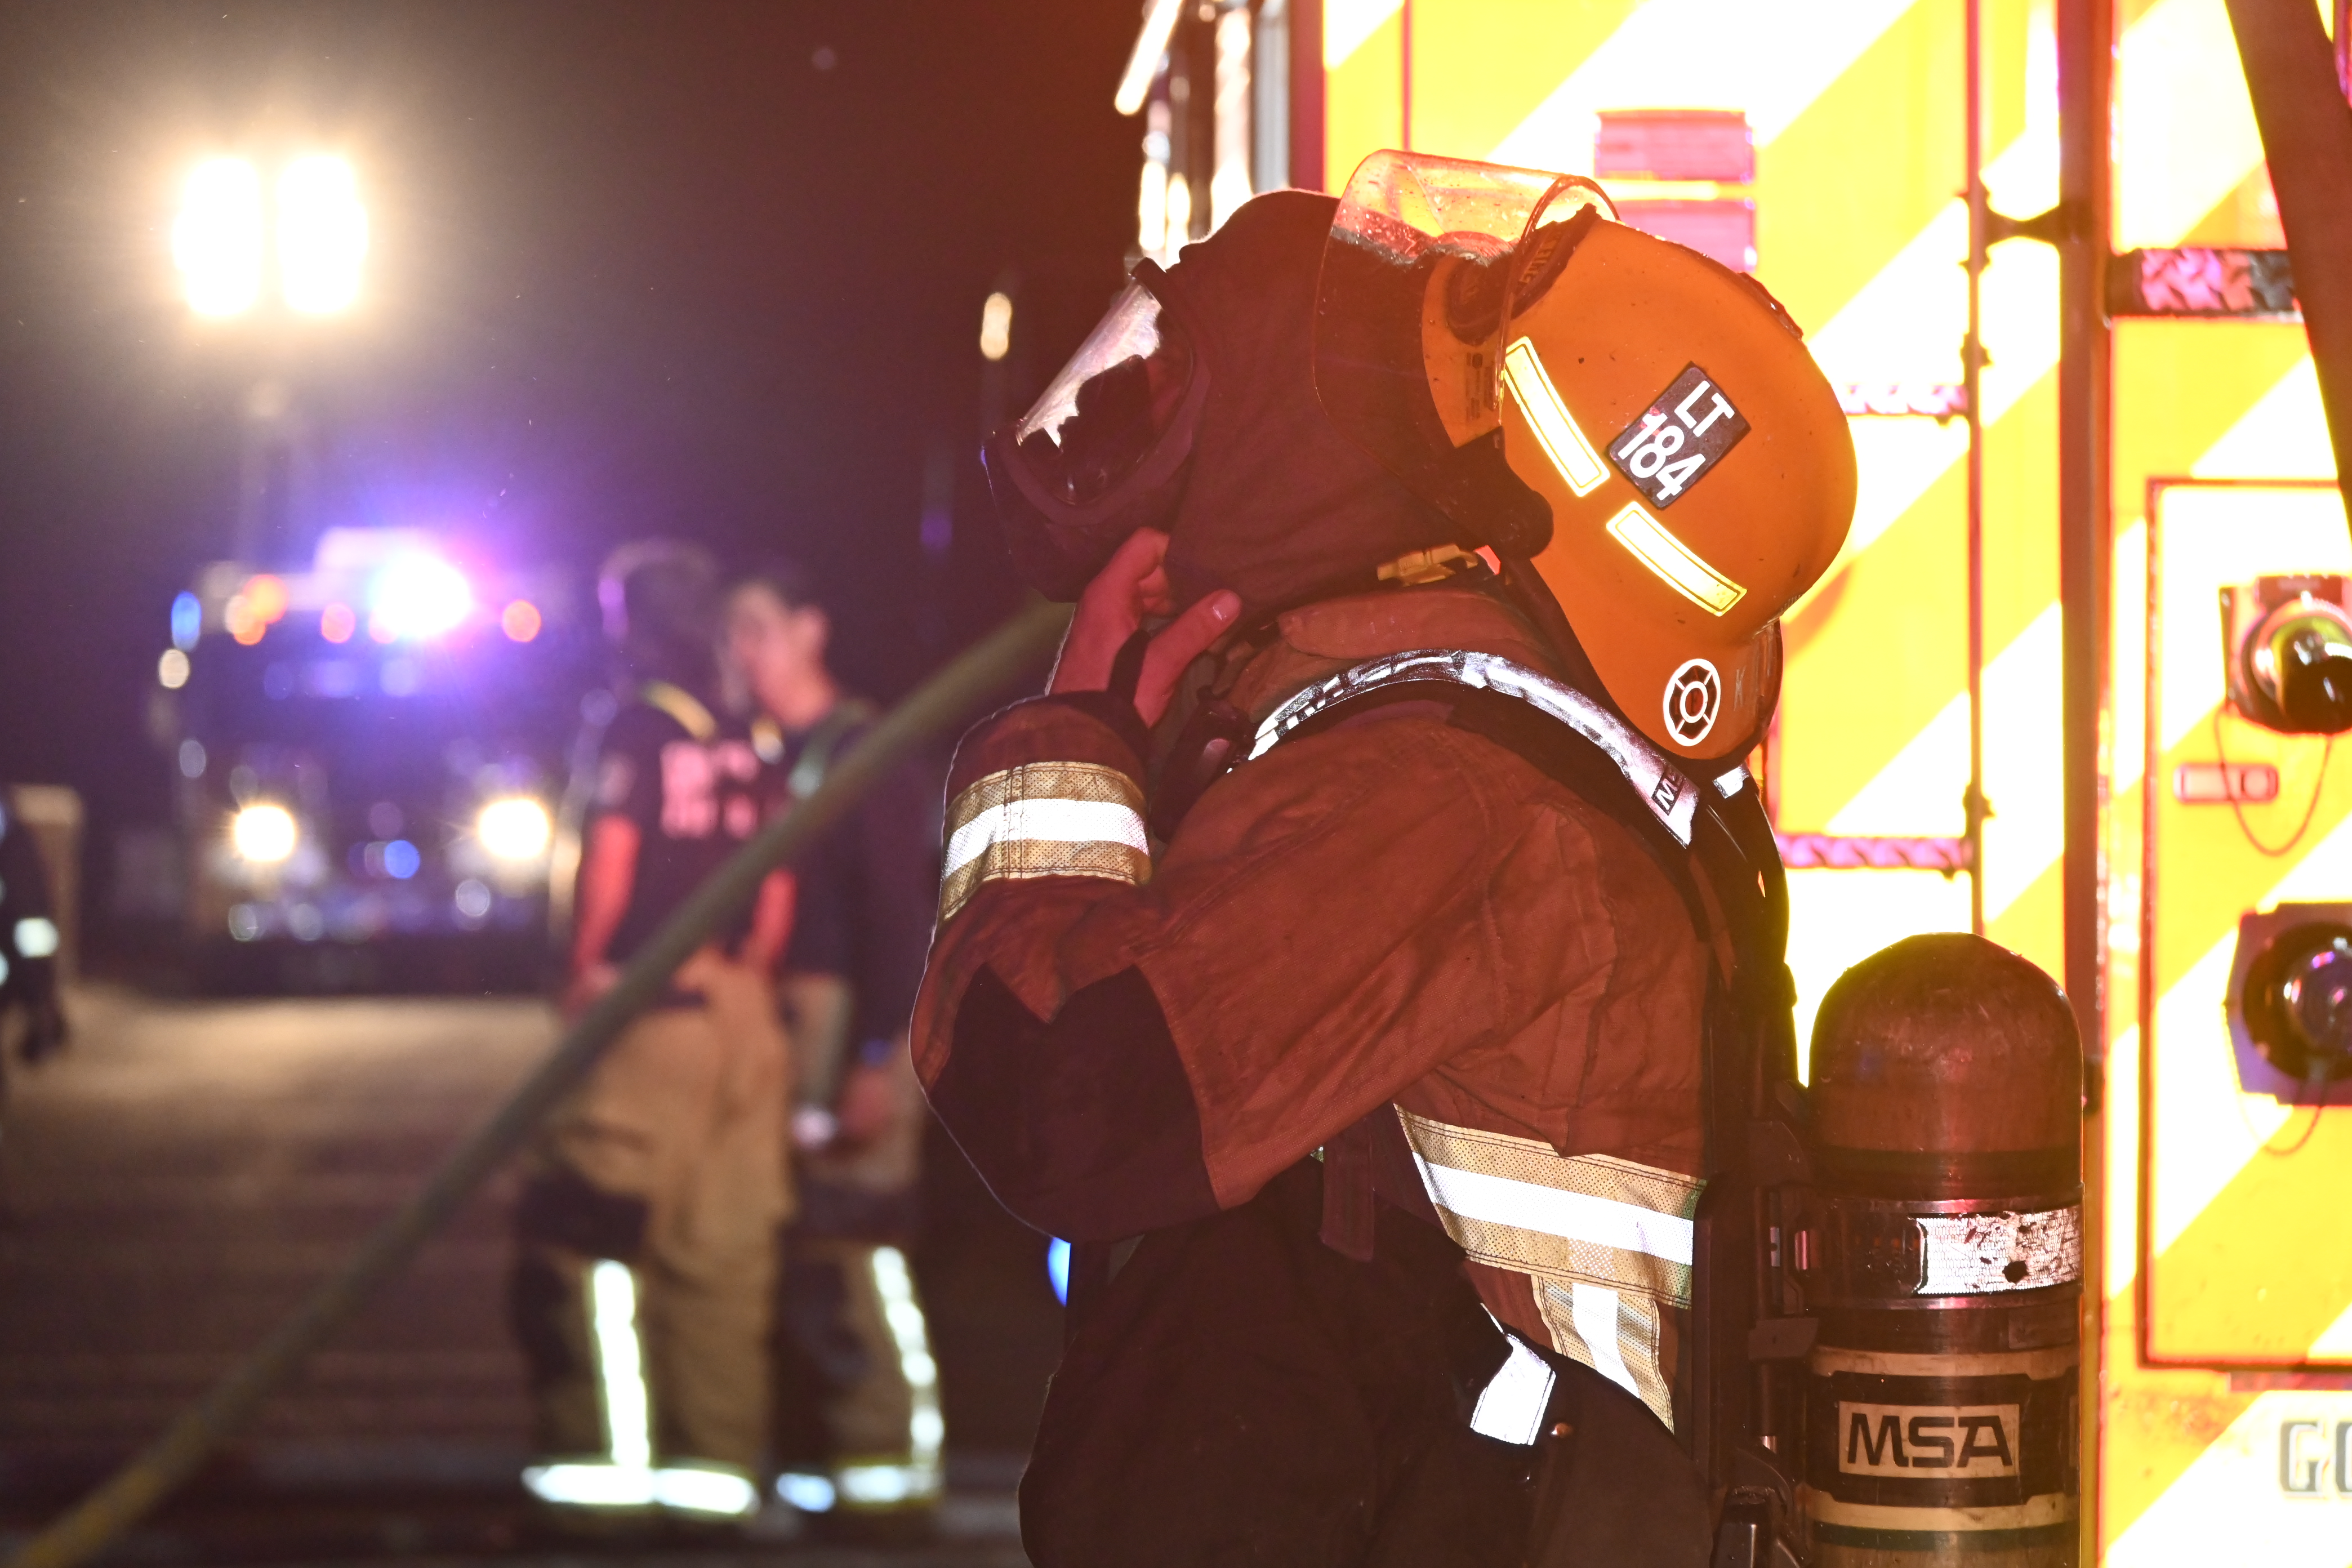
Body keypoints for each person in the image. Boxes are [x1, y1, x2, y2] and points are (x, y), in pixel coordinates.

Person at [910, 157, 1855, 1566]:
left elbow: (1068, 1106)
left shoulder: (1434, 801)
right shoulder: (1487, 763)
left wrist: (1071, 738)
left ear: (1504, 507)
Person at [510, 539, 796, 1529]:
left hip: (650, 1009)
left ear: (635, 624)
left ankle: (602, 1478)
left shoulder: (635, 726)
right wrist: (746, 979)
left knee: (589, 1235)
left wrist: (586, 970)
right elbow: (777, 885)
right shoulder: (752, 734)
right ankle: (712, 1479)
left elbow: (613, 855)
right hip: (741, 1013)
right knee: (721, 1250)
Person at [720, 559, 946, 1533]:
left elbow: (904, 917)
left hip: (858, 1032)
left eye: (758, 629)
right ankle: (836, 1463)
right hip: (808, 1030)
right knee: (815, 1246)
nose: (742, 653)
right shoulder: (786, 757)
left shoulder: (866, 752)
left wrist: (874, 1062)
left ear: (811, 629)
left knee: (859, 1241)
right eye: (732, 634)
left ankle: (891, 1468)